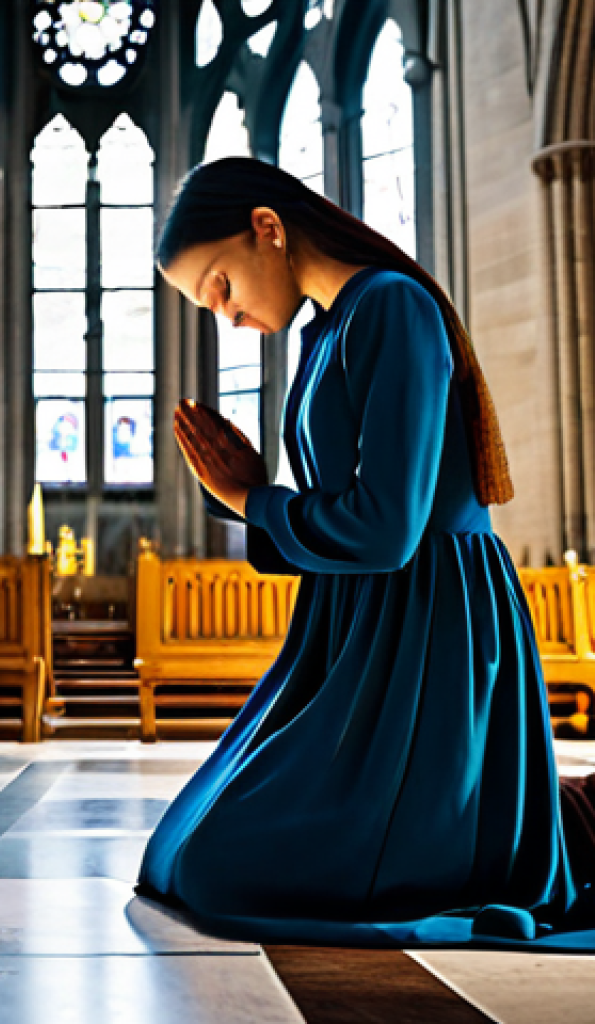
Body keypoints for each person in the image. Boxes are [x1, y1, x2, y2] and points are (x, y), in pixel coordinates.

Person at [134, 156, 595, 951]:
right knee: (180, 853)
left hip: (431, 634)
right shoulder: (328, 331)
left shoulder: (392, 307)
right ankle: (539, 810)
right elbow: (345, 517)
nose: (227, 316)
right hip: (359, 634)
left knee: (218, 869)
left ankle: (525, 818)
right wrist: (248, 496)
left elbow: (387, 527)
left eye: (219, 287)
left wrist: (252, 498)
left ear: (266, 230)